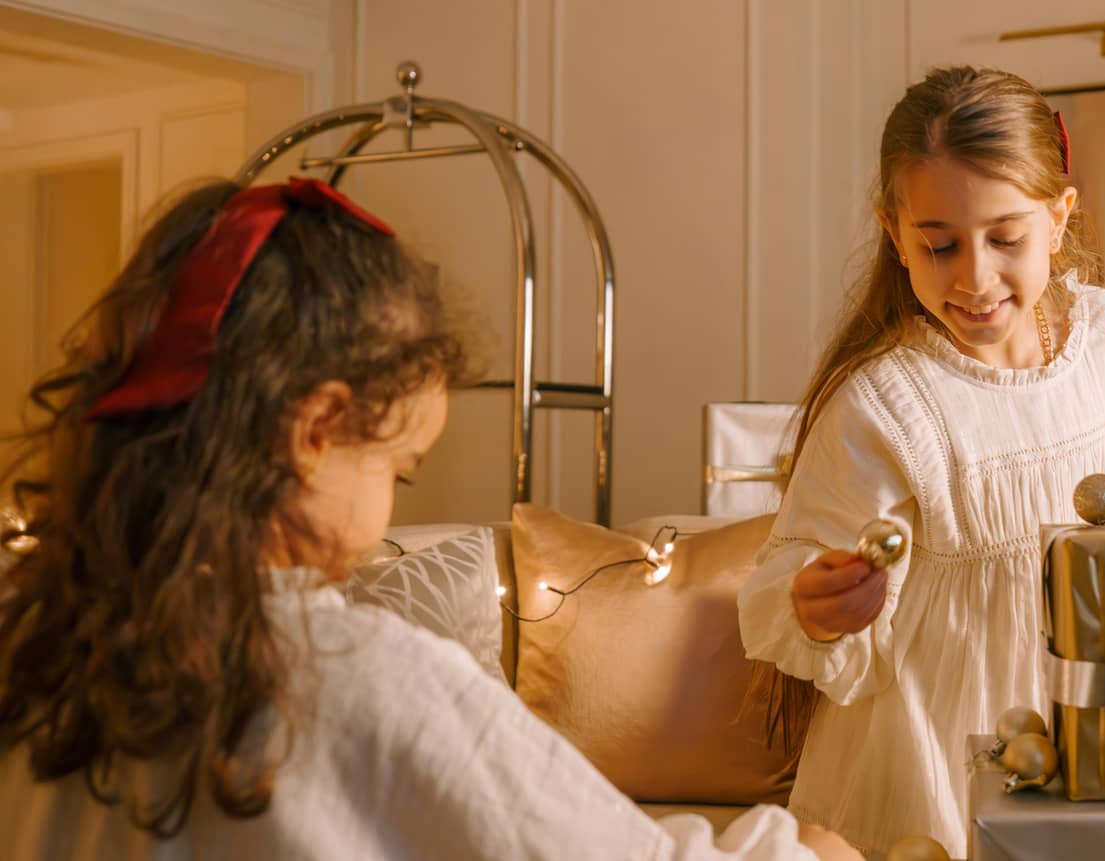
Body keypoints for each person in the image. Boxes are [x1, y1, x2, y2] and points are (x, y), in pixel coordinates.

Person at [0, 178, 858, 860]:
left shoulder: (38, 652)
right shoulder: (358, 677)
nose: (382, 520)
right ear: (316, 432)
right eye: (398, 473)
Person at [738, 66, 1105, 856]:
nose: (974, 276)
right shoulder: (886, 405)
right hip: (921, 753)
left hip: (1080, 732)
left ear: (1060, 219)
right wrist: (816, 603)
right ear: (896, 235)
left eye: (1006, 238)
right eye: (940, 244)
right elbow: (788, 577)